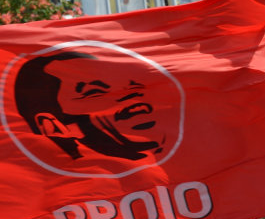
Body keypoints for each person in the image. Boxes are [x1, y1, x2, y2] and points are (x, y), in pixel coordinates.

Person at [13, 49, 180, 162]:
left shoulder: (189, 161)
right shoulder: (70, 199)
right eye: (95, 93)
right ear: (53, 127)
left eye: (132, 87)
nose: (132, 98)